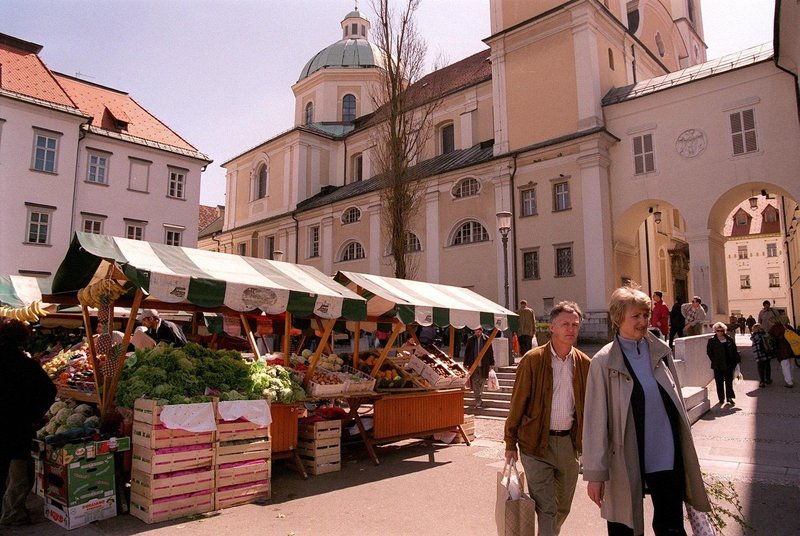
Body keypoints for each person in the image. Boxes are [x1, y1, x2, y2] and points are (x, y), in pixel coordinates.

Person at [583, 286, 710, 536]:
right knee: (625, 525)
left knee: (671, 525)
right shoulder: (603, 362)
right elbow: (595, 422)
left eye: (645, 315)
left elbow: (677, 405)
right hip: (625, 456)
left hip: (666, 453)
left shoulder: (661, 352)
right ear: (618, 318)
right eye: (636, 316)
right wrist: (595, 474)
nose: (643, 321)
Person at [504, 301, 591, 536]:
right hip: (535, 445)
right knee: (547, 508)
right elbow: (517, 403)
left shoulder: (584, 363)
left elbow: (589, 409)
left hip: (568, 445)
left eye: (575, 324)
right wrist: (510, 442)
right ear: (551, 327)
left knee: (563, 507)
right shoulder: (533, 360)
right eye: (565, 324)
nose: (570, 329)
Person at [0, 318, 57, 526]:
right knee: (19, 475)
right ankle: (12, 514)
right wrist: (34, 416)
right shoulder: (26, 365)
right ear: (22, 339)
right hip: (17, 427)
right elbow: (49, 391)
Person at [706, 322, 741, 405]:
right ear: (715, 331)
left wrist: (735, 362)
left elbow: (734, 350)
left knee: (729, 382)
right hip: (717, 365)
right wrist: (714, 360)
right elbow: (709, 352)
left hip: (729, 364)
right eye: (718, 330)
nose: (720, 332)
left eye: (722, 330)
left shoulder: (729, 339)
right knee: (719, 382)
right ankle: (721, 398)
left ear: (724, 331)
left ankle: (729, 398)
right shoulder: (712, 341)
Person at [463, 327, 494, 408]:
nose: (477, 332)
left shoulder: (486, 339)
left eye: (478, 331)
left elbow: (490, 351)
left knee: (482, 381)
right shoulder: (471, 340)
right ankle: (478, 400)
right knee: (474, 382)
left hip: (484, 364)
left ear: (481, 331)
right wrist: (465, 363)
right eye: (476, 331)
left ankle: (478, 398)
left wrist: (492, 362)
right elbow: (467, 352)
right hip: (473, 364)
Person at [769, 318, 795, 388]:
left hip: (781, 350)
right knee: (791, 365)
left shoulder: (774, 329)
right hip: (792, 348)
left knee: (785, 366)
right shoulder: (788, 327)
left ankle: (789, 382)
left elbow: (770, 340)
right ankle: (791, 379)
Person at [750, 323, 773, 388]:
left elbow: (754, 344)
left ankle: (762, 381)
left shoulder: (754, 336)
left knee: (760, 367)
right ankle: (768, 379)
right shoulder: (765, 334)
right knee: (767, 366)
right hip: (766, 352)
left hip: (758, 354)